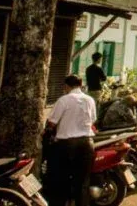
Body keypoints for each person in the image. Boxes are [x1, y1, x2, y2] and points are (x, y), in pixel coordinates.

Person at [46, 74, 97, 206]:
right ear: (80, 85)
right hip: (87, 143)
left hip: (66, 145)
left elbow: (52, 122)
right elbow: (93, 120)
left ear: (66, 86)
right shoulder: (90, 100)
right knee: (83, 183)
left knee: (61, 181)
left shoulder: (64, 100)